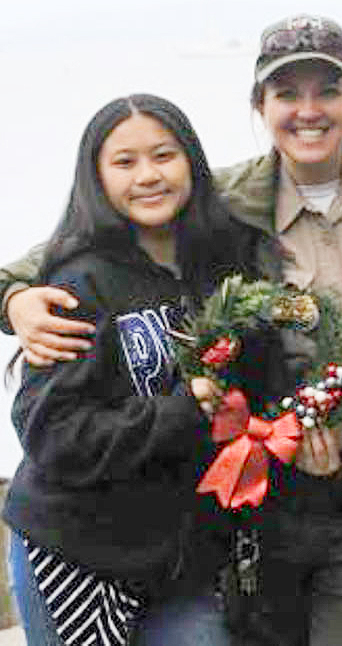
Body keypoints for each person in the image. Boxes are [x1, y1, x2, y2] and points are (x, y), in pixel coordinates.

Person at [0, 16, 342, 646]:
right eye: (287, 94)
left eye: (328, 91)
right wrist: (13, 297)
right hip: (217, 516)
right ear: (260, 106)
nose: (308, 111)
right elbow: (59, 256)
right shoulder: (221, 207)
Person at [3, 94, 255, 646]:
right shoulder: (78, 285)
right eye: (124, 162)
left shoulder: (221, 268)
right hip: (77, 553)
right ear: (96, 176)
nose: (148, 176)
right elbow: (54, 435)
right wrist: (185, 410)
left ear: (191, 162)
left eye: (164, 156)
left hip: (179, 560)